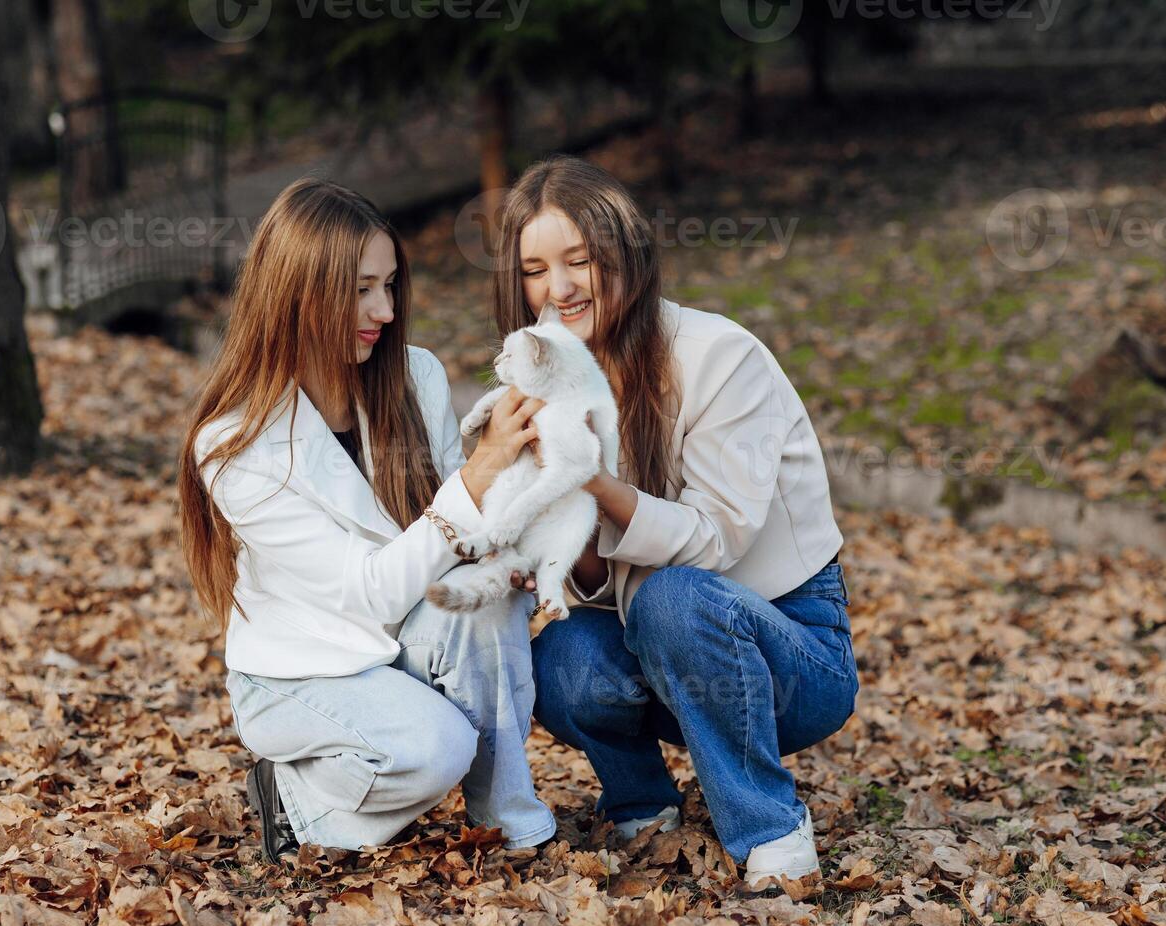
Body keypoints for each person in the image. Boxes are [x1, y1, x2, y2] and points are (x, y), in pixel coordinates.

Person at [494, 156, 859, 885]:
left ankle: (770, 827)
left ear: (624, 255)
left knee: (675, 597)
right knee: (560, 660)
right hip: (660, 652)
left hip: (791, 657)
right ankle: (640, 800)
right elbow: (602, 591)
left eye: (580, 261)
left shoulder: (720, 357)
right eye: (536, 269)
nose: (559, 288)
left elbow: (715, 542)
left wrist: (591, 479)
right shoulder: (543, 382)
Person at [178, 177, 556, 862]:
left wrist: (506, 546)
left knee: (488, 602)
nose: (383, 309)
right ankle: (298, 800)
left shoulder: (415, 376)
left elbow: (453, 536)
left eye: (389, 285)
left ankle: (509, 823)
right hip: (303, 669)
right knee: (435, 748)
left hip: (401, 635)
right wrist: (478, 475)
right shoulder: (234, 445)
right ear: (297, 291)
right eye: (359, 290)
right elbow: (370, 589)